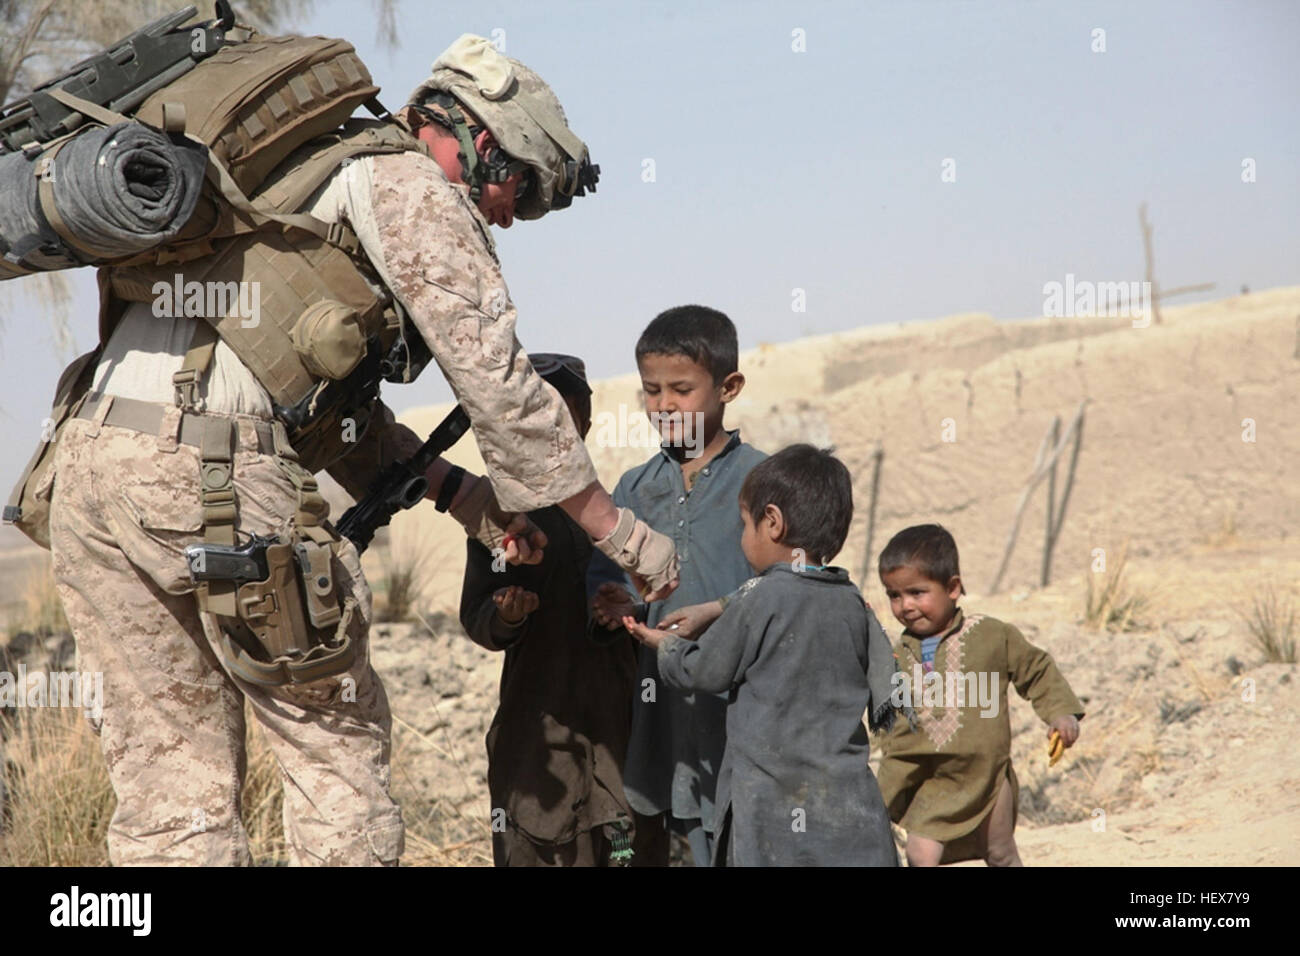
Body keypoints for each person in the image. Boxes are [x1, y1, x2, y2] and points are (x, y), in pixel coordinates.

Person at [34, 33, 678, 866]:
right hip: (214, 478)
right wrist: (619, 532)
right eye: (520, 183)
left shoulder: (286, 187)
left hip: (89, 469)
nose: (513, 212)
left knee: (170, 790)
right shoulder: (406, 181)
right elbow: (501, 387)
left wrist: (469, 501)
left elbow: (329, 420)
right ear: (475, 137)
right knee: (337, 762)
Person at [622, 445, 900, 866]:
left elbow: (703, 670)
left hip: (771, 806)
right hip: (847, 802)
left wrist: (665, 644)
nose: (742, 537)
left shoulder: (762, 598)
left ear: (772, 523)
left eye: (745, 525)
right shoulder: (852, 601)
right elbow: (886, 679)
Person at [458, 353, 653, 866]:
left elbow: (643, 604)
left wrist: (620, 613)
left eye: (560, 417)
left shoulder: (611, 512)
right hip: (537, 731)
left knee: (622, 839)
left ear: (583, 422)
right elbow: (478, 615)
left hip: (614, 723)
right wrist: (508, 615)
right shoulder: (497, 514)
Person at [587, 305, 765, 865]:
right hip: (663, 706)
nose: (664, 405)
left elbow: (794, 584)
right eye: (651, 390)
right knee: (678, 828)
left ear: (729, 387)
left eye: (681, 389)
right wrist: (609, 603)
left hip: (742, 706)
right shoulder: (634, 488)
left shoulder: (763, 480)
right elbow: (608, 580)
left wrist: (720, 609)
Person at [874, 524, 1085, 867]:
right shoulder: (896, 655)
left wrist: (1061, 713)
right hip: (932, 780)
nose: (905, 605)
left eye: (916, 592)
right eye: (894, 595)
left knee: (1000, 852)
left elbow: (1037, 669)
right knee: (920, 855)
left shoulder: (990, 636)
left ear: (953, 588)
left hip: (987, 775)